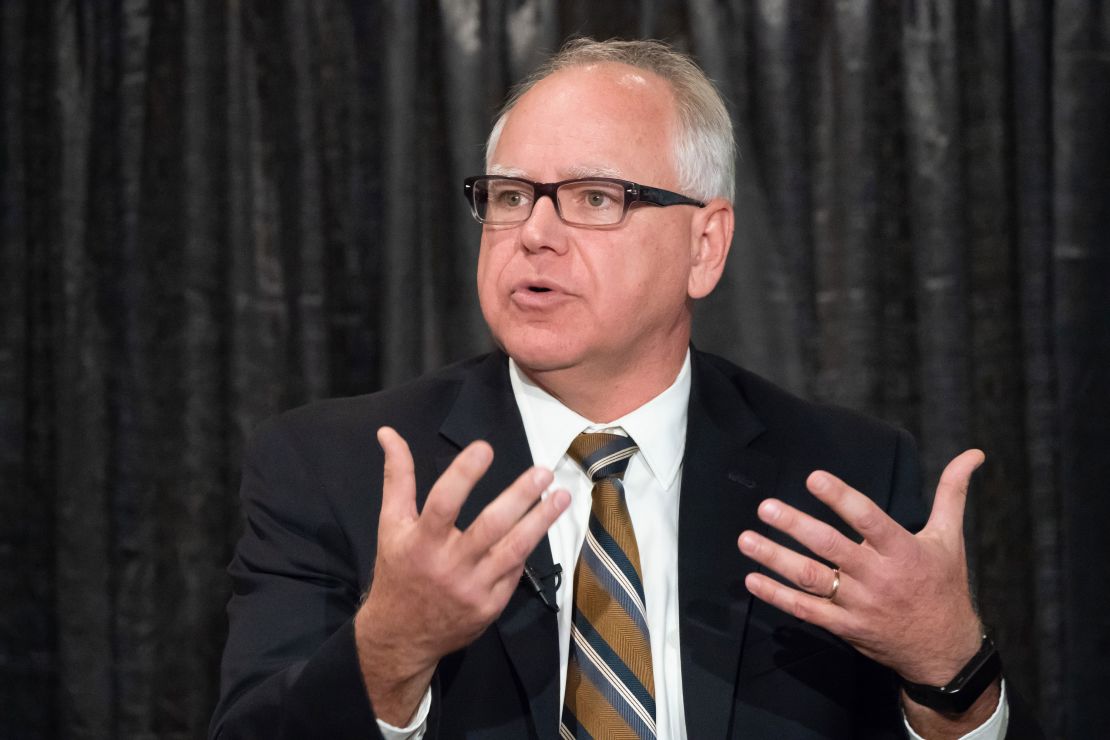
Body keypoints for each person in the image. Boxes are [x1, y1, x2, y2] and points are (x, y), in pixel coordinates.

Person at [211, 38, 1037, 739]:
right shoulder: (335, 467)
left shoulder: (845, 476)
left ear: (705, 246)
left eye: (594, 198)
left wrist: (949, 668)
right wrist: (389, 650)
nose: (533, 235)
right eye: (508, 197)